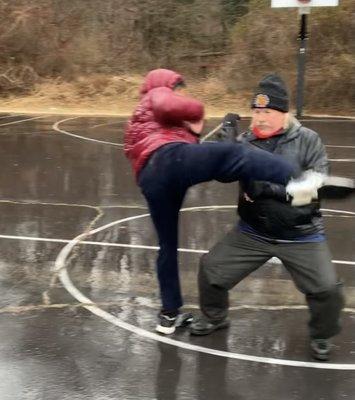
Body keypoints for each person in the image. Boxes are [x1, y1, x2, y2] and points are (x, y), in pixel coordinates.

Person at [124, 69, 298, 335]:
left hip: (153, 180)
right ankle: (299, 179)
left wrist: (197, 132)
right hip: (166, 161)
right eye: (181, 90)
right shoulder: (157, 94)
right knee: (236, 155)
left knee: (167, 247)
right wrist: (197, 111)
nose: (183, 96)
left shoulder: (141, 119)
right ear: (171, 85)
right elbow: (170, 106)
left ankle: (168, 316)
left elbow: (189, 141)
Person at [189, 74, 344, 361]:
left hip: (301, 234)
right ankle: (215, 316)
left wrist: (271, 189)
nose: (260, 118)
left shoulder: (309, 141)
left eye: (267, 112)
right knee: (211, 269)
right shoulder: (246, 141)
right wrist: (224, 153)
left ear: (284, 114)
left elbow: (315, 188)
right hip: (253, 232)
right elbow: (223, 176)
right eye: (256, 112)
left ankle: (321, 334)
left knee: (326, 289)